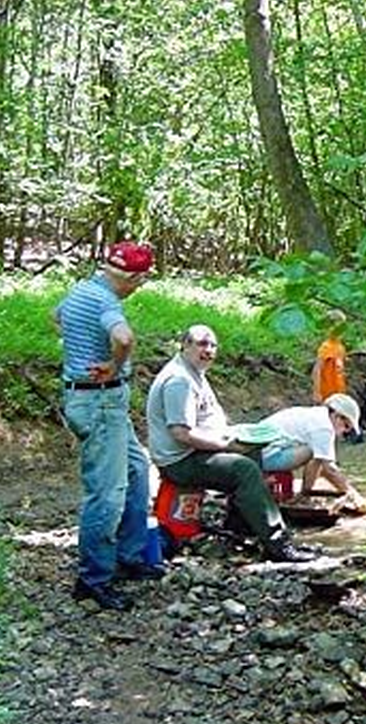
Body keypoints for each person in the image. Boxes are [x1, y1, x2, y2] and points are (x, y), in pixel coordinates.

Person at [146, 324, 314, 563]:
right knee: (243, 469)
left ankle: (241, 525)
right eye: (202, 344)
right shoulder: (179, 381)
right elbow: (181, 434)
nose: (209, 350)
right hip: (179, 460)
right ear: (185, 345)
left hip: (196, 450)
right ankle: (278, 544)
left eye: (213, 345)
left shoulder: (194, 372)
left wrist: (236, 435)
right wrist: (226, 445)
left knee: (254, 450)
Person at [55, 240, 160, 611]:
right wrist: (114, 365)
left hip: (100, 400)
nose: (137, 289)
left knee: (137, 469)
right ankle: (93, 579)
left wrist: (81, 350)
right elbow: (124, 337)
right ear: (132, 277)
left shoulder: (81, 290)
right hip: (98, 402)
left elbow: (57, 318)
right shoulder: (105, 301)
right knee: (107, 491)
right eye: (139, 282)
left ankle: (129, 557)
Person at [259, 393, 366, 505]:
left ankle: (305, 494)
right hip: (266, 456)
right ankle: (305, 495)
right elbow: (329, 469)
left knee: (319, 458)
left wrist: (344, 489)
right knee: (314, 453)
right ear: (336, 416)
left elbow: (323, 468)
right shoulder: (324, 428)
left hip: (260, 453)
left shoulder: (316, 415)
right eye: (346, 426)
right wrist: (352, 494)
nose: (345, 432)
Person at [312, 309, 348, 402]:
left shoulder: (340, 347)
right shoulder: (326, 346)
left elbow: (339, 371)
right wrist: (317, 392)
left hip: (339, 393)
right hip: (326, 394)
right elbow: (317, 370)